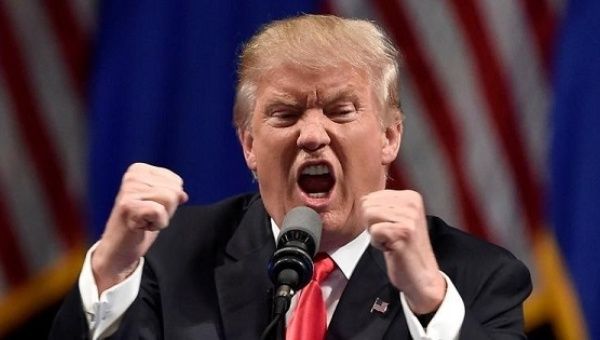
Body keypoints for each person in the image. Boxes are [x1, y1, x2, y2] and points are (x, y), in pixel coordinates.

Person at [50, 14, 532, 340]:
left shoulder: (478, 278)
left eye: (340, 111)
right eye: (285, 114)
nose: (312, 135)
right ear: (249, 145)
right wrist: (109, 270)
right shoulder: (172, 258)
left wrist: (428, 299)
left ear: (389, 137)